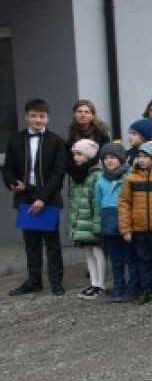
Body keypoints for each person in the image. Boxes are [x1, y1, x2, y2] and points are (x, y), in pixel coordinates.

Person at [4, 98, 67, 296]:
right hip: (25, 195)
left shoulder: (56, 141)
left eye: (41, 116)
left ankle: (56, 281)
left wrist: (42, 198)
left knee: (52, 243)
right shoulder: (15, 139)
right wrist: (13, 183)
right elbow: (7, 169)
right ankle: (34, 281)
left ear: (48, 118)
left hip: (47, 196)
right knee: (31, 244)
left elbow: (58, 173)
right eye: (33, 116)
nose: (37, 120)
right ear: (26, 117)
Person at [118, 141, 152, 304]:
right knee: (143, 260)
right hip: (139, 228)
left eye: (145, 156)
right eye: (139, 156)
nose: (141, 160)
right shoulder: (131, 178)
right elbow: (125, 202)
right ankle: (146, 289)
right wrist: (126, 228)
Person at [66, 139, 105, 298]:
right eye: (74, 154)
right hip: (81, 221)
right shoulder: (75, 175)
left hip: (92, 221)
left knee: (98, 251)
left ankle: (101, 284)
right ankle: (93, 283)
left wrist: (97, 224)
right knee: (88, 252)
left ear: (89, 155)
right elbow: (73, 200)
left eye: (80, 154)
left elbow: (97, 203)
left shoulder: (96, 175)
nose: (76, 157)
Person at [95, 142, 134, 302]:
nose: (109, 161)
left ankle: (132, 289)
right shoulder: (100, 179)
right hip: (108, 223)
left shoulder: (129, 176)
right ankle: (119, 289)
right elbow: (98, 203)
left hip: (125, 223)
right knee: (115, 260)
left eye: (113, 157)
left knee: (130, 259)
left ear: (121, 159)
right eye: (106, 158)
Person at [65, 99, 111, 169]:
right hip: (76, 174)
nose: (83, 115)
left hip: (98, 172)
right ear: (74, 114)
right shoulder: (68, 136)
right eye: (79, 111)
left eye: (86, 112)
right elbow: (66, 160)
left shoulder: (102, 134)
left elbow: (105, 154)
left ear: (92, 116)